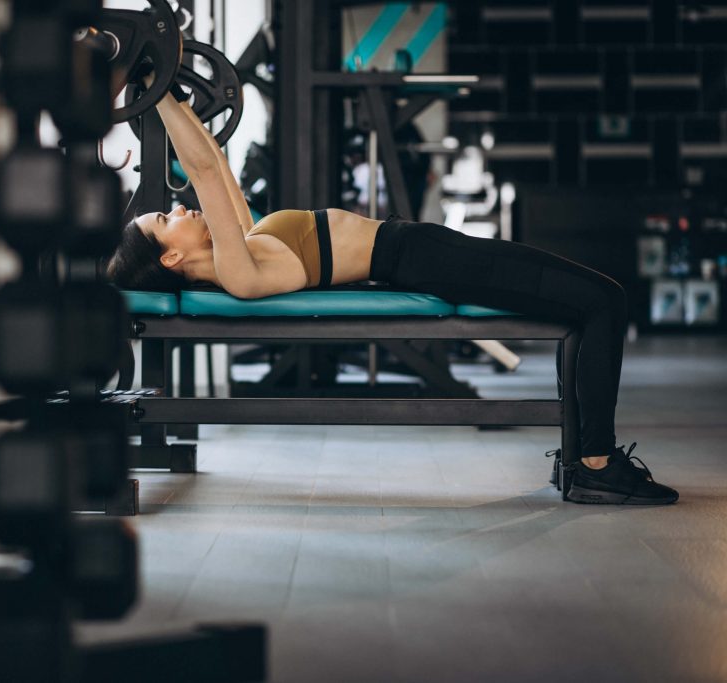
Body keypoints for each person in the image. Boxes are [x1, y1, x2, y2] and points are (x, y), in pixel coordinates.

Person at [106, 77, 678, 506]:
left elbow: (216, 166)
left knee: (588, 304)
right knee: (604, 300)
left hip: (421, 248)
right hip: (422, 261)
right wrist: (155, 89)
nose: (177, 206)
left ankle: (585, 459)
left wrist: (167, 90)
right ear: (173, 256)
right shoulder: (238, 271)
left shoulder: (242, 244)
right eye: (164, 218)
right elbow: (203, 172)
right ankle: (596, 464)